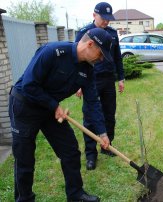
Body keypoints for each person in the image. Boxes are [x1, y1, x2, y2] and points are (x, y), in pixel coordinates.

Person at [9, 28, 111, 202]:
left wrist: (102, 133)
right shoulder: (52, 52)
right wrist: (54, 105)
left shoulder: (88, 70)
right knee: (24, 158)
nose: (101, 59)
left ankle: (75, 194)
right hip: (24, 106)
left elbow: (93, 102)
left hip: (49, 109)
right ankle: (24, 199)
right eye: (101, 54)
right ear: (90, 44)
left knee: (70, 151)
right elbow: (29, 85)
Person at [75, 2, 125, 170]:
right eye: (103, 18)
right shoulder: (84, 33)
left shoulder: (112, 34)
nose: (106, 22)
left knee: (109, 114)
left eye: (109, 19)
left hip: (108, 79)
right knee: (89, 116)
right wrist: (78, 83)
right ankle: (91, 154)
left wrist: (121, 78)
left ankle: (107, 146)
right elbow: (78, 58)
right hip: (91, 79)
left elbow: (117, 57)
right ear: (94, 15)